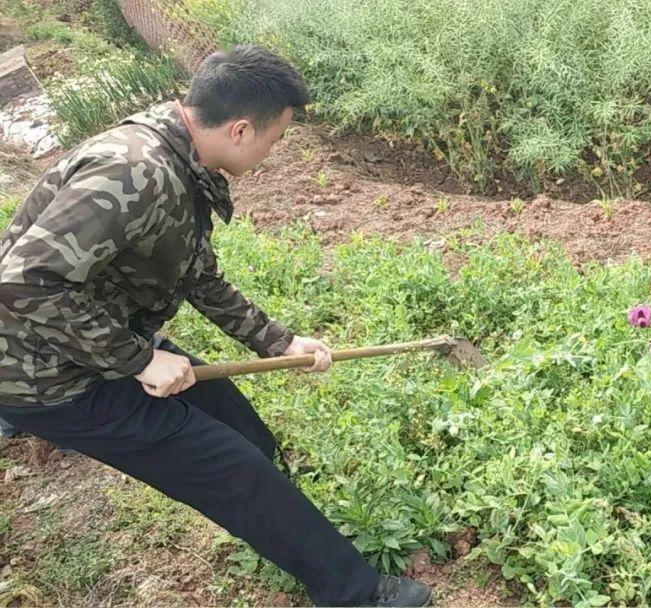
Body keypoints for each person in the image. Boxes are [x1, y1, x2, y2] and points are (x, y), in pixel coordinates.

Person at [0, 45, 432, 607]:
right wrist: (139, 360)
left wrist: (280, 341)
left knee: (227, 412)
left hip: (89, 336)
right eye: (275, 141)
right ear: (241, 129)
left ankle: (280, 504)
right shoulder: (135, 172)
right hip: (44, 375)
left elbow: (196, 275)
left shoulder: (179, 153)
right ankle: (356, 593)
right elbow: (24, 280)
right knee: (229, 468)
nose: (272, 155)